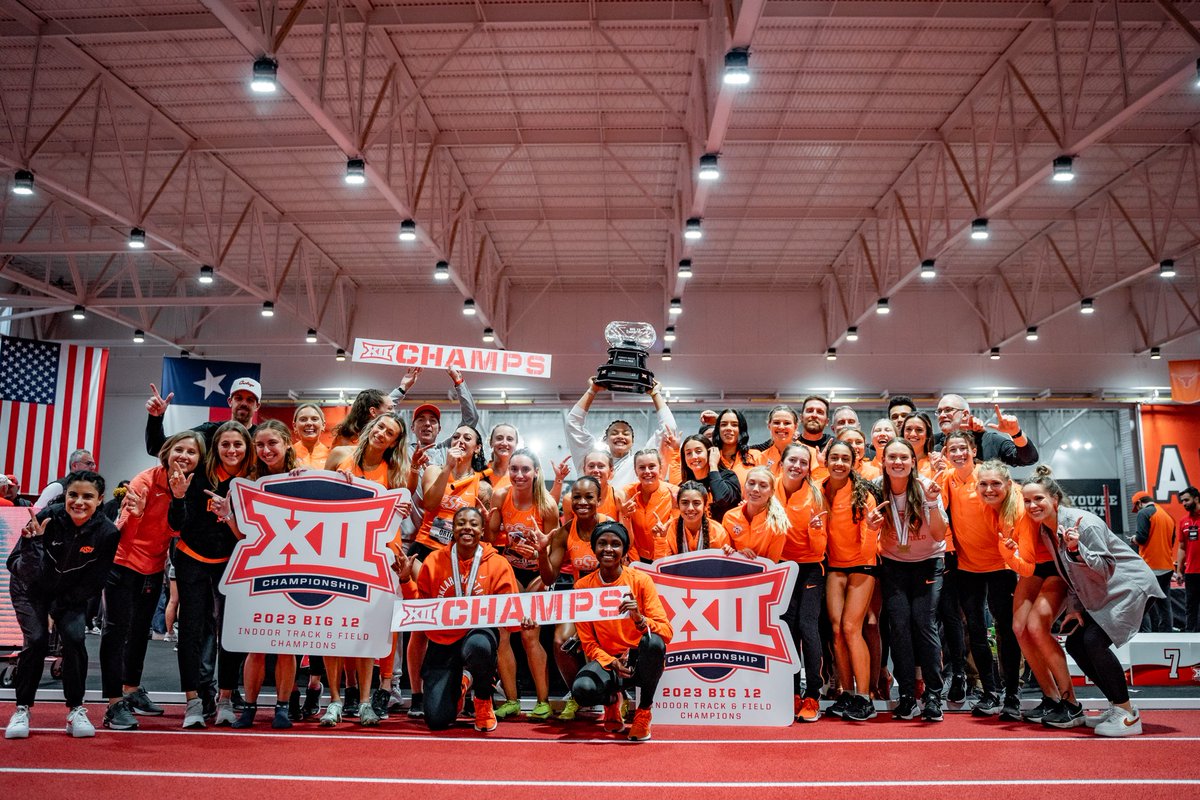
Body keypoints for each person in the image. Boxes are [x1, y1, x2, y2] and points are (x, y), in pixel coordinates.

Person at [1022, 466, 1164, 735]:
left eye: (1038, 498)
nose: (1032, 505)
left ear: (1054, 499)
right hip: (1106, 592)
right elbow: (1070, 574)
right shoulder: (1046, 531)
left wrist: (1077, 549)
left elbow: (1105, 569)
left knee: (1093, 641)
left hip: (1130, 587)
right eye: (1027, 500)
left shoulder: (1083, 523)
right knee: (1075, 643)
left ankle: (1127, 714)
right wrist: (1075, 609)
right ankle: (1116, 706)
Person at [100, 432, 204, 731]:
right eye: (179, 449)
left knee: (139, 632)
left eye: (192, 452)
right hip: (123, 564)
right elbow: (122, 526)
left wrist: (180, 497)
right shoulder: (144, 481)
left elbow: (176, 528)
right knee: (116, 632)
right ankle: (113, 704)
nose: (184, 456)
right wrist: (135, 514)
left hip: (153, 567)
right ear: (167, 452)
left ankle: (131, 689)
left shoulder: (188, 485)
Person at [5, 471, 120, 740]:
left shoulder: (107, 532)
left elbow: (95, 581)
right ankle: (22, 708)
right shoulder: (46, 518)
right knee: (36, 640)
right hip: (29, 589)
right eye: (73, 495)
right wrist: (32, 544)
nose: (79, 502)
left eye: (87, 497)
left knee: (74, 638)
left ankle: (76, 709)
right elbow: (17, 566)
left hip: (70, 594)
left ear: (100, 500)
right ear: (65, 496)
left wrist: (58, 606)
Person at [393, 507, 524, 732]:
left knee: (479, 646)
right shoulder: (434, 561)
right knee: (437, 720)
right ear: (453, 529)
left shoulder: (498, 564)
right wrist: (405, 580)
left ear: (482, 530)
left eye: (473, 524)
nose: (467, 528)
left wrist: (524, 621)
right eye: (461, 523)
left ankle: (483, 699)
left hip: (478, 635)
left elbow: (510, 611)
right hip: (443, 639)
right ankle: (461, 685)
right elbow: (420, 609)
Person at [322, 413, 413, 726]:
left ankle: (366, 700)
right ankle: (335, 700)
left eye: (390, 433)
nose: (382, 433)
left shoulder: (396, 471)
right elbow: (318, 499)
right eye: (380, 427)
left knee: (370, 628)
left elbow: (399, 510)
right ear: (370, 428)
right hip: (339, 553)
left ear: (394, 442)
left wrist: (401, 507)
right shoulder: (339, 455)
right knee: (334, 627)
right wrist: (337, 487)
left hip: (379, 557)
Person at [167, 420, 254, 729]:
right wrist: (178, 497)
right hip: (192, 559)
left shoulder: (252, 482)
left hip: (231, 562)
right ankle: (193, 701)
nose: (231, 450)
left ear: (247, 448)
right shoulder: (198, 475)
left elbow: (250, 535)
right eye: (224, 444)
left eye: (237, 444)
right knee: (191, 630)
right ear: (215, 448)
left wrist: (228, 515)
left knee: (230, 631)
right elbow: (176, 526)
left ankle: (226, 700)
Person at [977, 460, 1075, 724]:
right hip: (1035, 568)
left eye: (995, 483)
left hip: (1052, 567)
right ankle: (1051, 697)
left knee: (1036, 627)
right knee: (1019, 628)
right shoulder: (990, 508)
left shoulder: (1020, 509)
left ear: (1009, 485)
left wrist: (1007, 554)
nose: (989, 489)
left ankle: (1071, 703)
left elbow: (1027, 566)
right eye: (983, 484)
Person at [405, 424, 492, 718]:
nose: (460, 440)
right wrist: (448, 468)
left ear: (477, 448)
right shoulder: (434, 470)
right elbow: (430, 503)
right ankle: (416, 694)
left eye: (468, 438)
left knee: (461, 623)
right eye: (456, 436)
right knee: (421, 625)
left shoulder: (483, 486)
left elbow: (484, 530)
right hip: (426, 552)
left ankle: (462, 685)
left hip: (461, 559)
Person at [939, 432, 1021, 720]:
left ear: (974, 450)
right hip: (967, 567)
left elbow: (1016, 504)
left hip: (1001, 565)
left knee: (1005, 629)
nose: (958, 453)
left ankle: (1012, 693)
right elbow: (935, 509)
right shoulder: (946, 478)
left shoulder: (989, 477)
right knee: (975, 631)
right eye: (952, 449)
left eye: (963, 448)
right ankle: (990, 691)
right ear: (946, 453)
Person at [572, 521, 674, 741]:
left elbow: (666, 631)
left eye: (615, 544)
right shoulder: (582, 586)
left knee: (654, 643)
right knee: (582, 690)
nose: (608, 549)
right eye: (602, 543)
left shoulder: (641, 581)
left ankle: (643, 712)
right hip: (608, 660)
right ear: (594, 548)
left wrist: (640, 619)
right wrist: (612, 662)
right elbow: (588, 643)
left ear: (625, 550)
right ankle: (611, 702)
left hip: (637, 658)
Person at [230, 420, 301, 729]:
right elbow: (243, 536)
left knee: (287, 643)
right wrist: (227, 516)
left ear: (286, 442)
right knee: (256, 643)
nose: (266, 450)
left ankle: (282, 708)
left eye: (272, 443)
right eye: (259, 445)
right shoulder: (249, 481)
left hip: (296, 570)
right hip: (260, 569)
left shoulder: (306, 475)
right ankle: (249, 707)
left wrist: (340, 480)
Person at [875, 437, 948, 722]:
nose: (898, 462)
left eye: (903, 457)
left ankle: (933, 695)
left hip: (928, 562)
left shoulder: (925, 486)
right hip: (893, 564)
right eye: (892, 457)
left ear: (913, 462)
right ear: (883, 462)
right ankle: (906, 695)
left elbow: (940, 534)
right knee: (899, 628)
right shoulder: (877, 488)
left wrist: (931, 503)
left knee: (924, 623)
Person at [534, 475, 613, 720]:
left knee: (601, 641)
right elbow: (549, 577)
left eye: (589, 497)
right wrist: (541, 552)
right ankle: (578, 695)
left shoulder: (610, 527)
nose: (582, 502)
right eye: (577, 497)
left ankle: (613, 696)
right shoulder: (566, 531)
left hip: (608, 599)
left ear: (599, 499)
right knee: (561, 641)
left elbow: (622, 573)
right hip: (581, 599)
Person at [487, 449, 557, 721]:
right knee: (503, 635)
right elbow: (491, 539)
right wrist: (488, 522)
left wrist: (538, 561)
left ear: (536, 472)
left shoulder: (547, 505)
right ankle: (511, 700)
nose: (519, 475)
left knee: (529, 636)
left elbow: (552, 555)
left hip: (537, 575)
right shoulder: (500, 496)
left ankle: (543, 701)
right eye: (514, 469)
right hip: (509, 572)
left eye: (525, 469)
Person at [822, 440, 882, 722]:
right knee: (836, 631)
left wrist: (871, 529)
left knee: (851, 628)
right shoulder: (819, 489)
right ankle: (846, 692)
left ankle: (865, 697)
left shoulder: (864, 494)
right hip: (834, 565)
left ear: (853, 462)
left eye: (844, 459)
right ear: (826, 460)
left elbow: (869, 547)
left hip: (862, 564)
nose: (839, 463)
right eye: (834, 457)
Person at [775, 443, 826, 722]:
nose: (797, 466)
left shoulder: (816, 495)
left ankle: (813, 694)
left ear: (809, 467)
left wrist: (815, 532)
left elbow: (820, 548)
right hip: (780, 569)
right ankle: (792, 691)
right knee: (787, 630)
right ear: (781, 462)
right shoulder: (769, 488)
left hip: (809, 568)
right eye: (792, 460)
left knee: (808, 627)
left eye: (803, 462)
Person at [565, 378, 677, 489]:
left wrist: (655, 393)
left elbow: (669, 429)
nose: (620, 436)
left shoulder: (641, 463)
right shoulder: (591, 458)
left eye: (625, 433)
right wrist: (592, 390)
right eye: (614, 433)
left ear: (632, 442)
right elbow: (572, 423)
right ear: (605, 439)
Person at [144, 376, 262, 456]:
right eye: (239, 398)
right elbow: (157, 448)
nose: (244, 403)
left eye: (250, 400)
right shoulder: (211, 430)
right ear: (230, 401)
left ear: (257, 406)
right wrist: (156, 418)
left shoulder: (262, 437)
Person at [933, 395, 1038, 466]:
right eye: (939, 411)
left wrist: (1016, 433)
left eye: (948, 410)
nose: (942, 415)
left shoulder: (989, 440)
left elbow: (1029, 458)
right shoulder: (931, 442)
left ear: (965, 415)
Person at [1132, 490, 1177, 632]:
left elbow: (1141, 538)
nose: (1137, 510)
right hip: (1167, 566)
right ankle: (1166, 633)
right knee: (1164, 603)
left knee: (1142, 601)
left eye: (1136, 507)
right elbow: (1172, 541)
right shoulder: (1167, 516)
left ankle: (1146, 633)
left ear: (1139, 503)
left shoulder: (1143, 513)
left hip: (1150, 565)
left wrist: (1133, 539)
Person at [620, 449, 676, 562]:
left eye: (651, 466)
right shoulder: (627, 493)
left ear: (660, 469)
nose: (647, 471)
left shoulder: (674, 493)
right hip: (636, 558)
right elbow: (625, 529)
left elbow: (677, 530)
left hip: (667, 557)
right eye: (642, 467)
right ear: (635, 471)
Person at [722, 467, 789, 561]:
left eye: (763, 486)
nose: (755, 489)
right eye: (751, 483)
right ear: (744, 486)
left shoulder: (777, 524)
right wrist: (737, 553)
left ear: (772, 492)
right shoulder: (729, 517)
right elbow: (725, 552)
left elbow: (772, 563)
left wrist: (753, 560)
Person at [679, 434, 741, 522]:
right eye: (688, 453)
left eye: (698, 451)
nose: (693, 457)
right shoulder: (685, 485)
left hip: (725, 529)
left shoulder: (728, 477)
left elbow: (722, 500)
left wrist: (713, 465)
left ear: (710, 453)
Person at [663, 481, 730, 555]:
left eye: (696, 503)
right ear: (678, 505)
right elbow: (662, 560)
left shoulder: (719, 532)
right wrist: (661, 540)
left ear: (705, 506)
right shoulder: (671, 529)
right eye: (685, 503)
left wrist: (728, 552)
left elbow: (726, 561)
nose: (690, 508)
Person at [32, 449, 98, 510]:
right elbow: (36, 512)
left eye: (93, 464)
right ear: (74, 465)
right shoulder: (57, 486)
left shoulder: (90, 489)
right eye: (89, 463)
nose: (92, 468)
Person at [713, 409, 761, 487]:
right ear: (718, 429)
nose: (728, 428)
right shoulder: (711, 457)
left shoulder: (755, 456)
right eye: (724, 424)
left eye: (734, 425)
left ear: (741, 429)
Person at [1175, 487, 1200, 632]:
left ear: (1196, 498)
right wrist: (1179, 571)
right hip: (1191, 572)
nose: (1184, 503)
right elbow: (1182, 548)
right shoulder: (1183, 521)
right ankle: (1190, 635)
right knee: (1191, 607)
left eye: (1186, 500)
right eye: (1182, 501)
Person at [901, 412, 941, 478]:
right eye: (908, 429)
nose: (913, 434)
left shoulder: (937, 462)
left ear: (927, 434)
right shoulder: (893, 462)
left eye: (919, 430)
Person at [291, 403, 330, 468]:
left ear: (323, 425)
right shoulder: (287, 454)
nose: (309, 423)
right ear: (295, 426)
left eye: (314, 419)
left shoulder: (331, 455)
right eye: (303, 419)